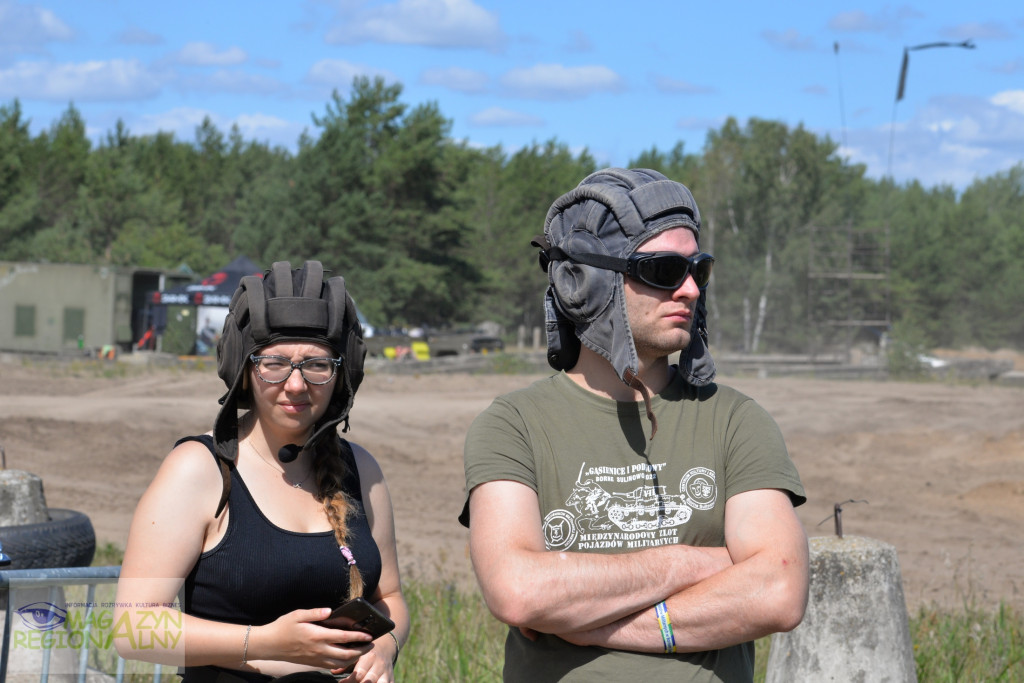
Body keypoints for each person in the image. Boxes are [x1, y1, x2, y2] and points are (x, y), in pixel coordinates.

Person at [460, 168, 809, 682]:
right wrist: (692, 564)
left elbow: (778, 591)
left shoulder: (736, 420)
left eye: (699, 270)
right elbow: (518, 589)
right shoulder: (513, 426)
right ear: (586, 282)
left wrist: (597, 624)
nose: (690, 289)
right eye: (664, 270)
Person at [115, 260, 409, 683]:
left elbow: (392, 599)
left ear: (342, 373)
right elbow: (133, 630)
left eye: (317, 365)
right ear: (244, 369)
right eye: (273, 363)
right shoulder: (201, 471)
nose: (295, 384)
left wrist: (385, 647)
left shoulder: (360, 470)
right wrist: (265, 641)